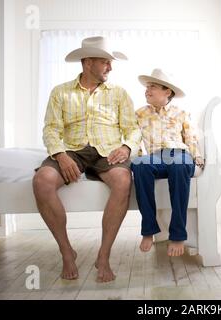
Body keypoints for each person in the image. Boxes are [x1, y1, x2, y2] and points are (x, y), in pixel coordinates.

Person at [32, 36, 141, 282]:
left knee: (123, 181)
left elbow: (133, 128)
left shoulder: (119, 93)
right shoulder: (60, 92)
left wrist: (126, 147)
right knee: (42, 181)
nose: (110, 68)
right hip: (72, 149)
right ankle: (66, 251)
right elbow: (50, 129)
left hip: (108, 150)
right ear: (87, 62)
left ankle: (103, 255)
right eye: (105, 62)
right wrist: (60, 155)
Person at [131, 68, 204, 257]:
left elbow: (191, 137)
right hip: (155, 156)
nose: (147, 90)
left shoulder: (180, 113)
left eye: (152, 87)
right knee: (139, 165)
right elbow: (133, 139)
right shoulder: (139, 114)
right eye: (147, 87)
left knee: (179, 166)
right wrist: (137, 157)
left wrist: (197, 158)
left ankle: (178, 235)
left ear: (167, 92)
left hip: (180, 153)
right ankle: (148, 230)